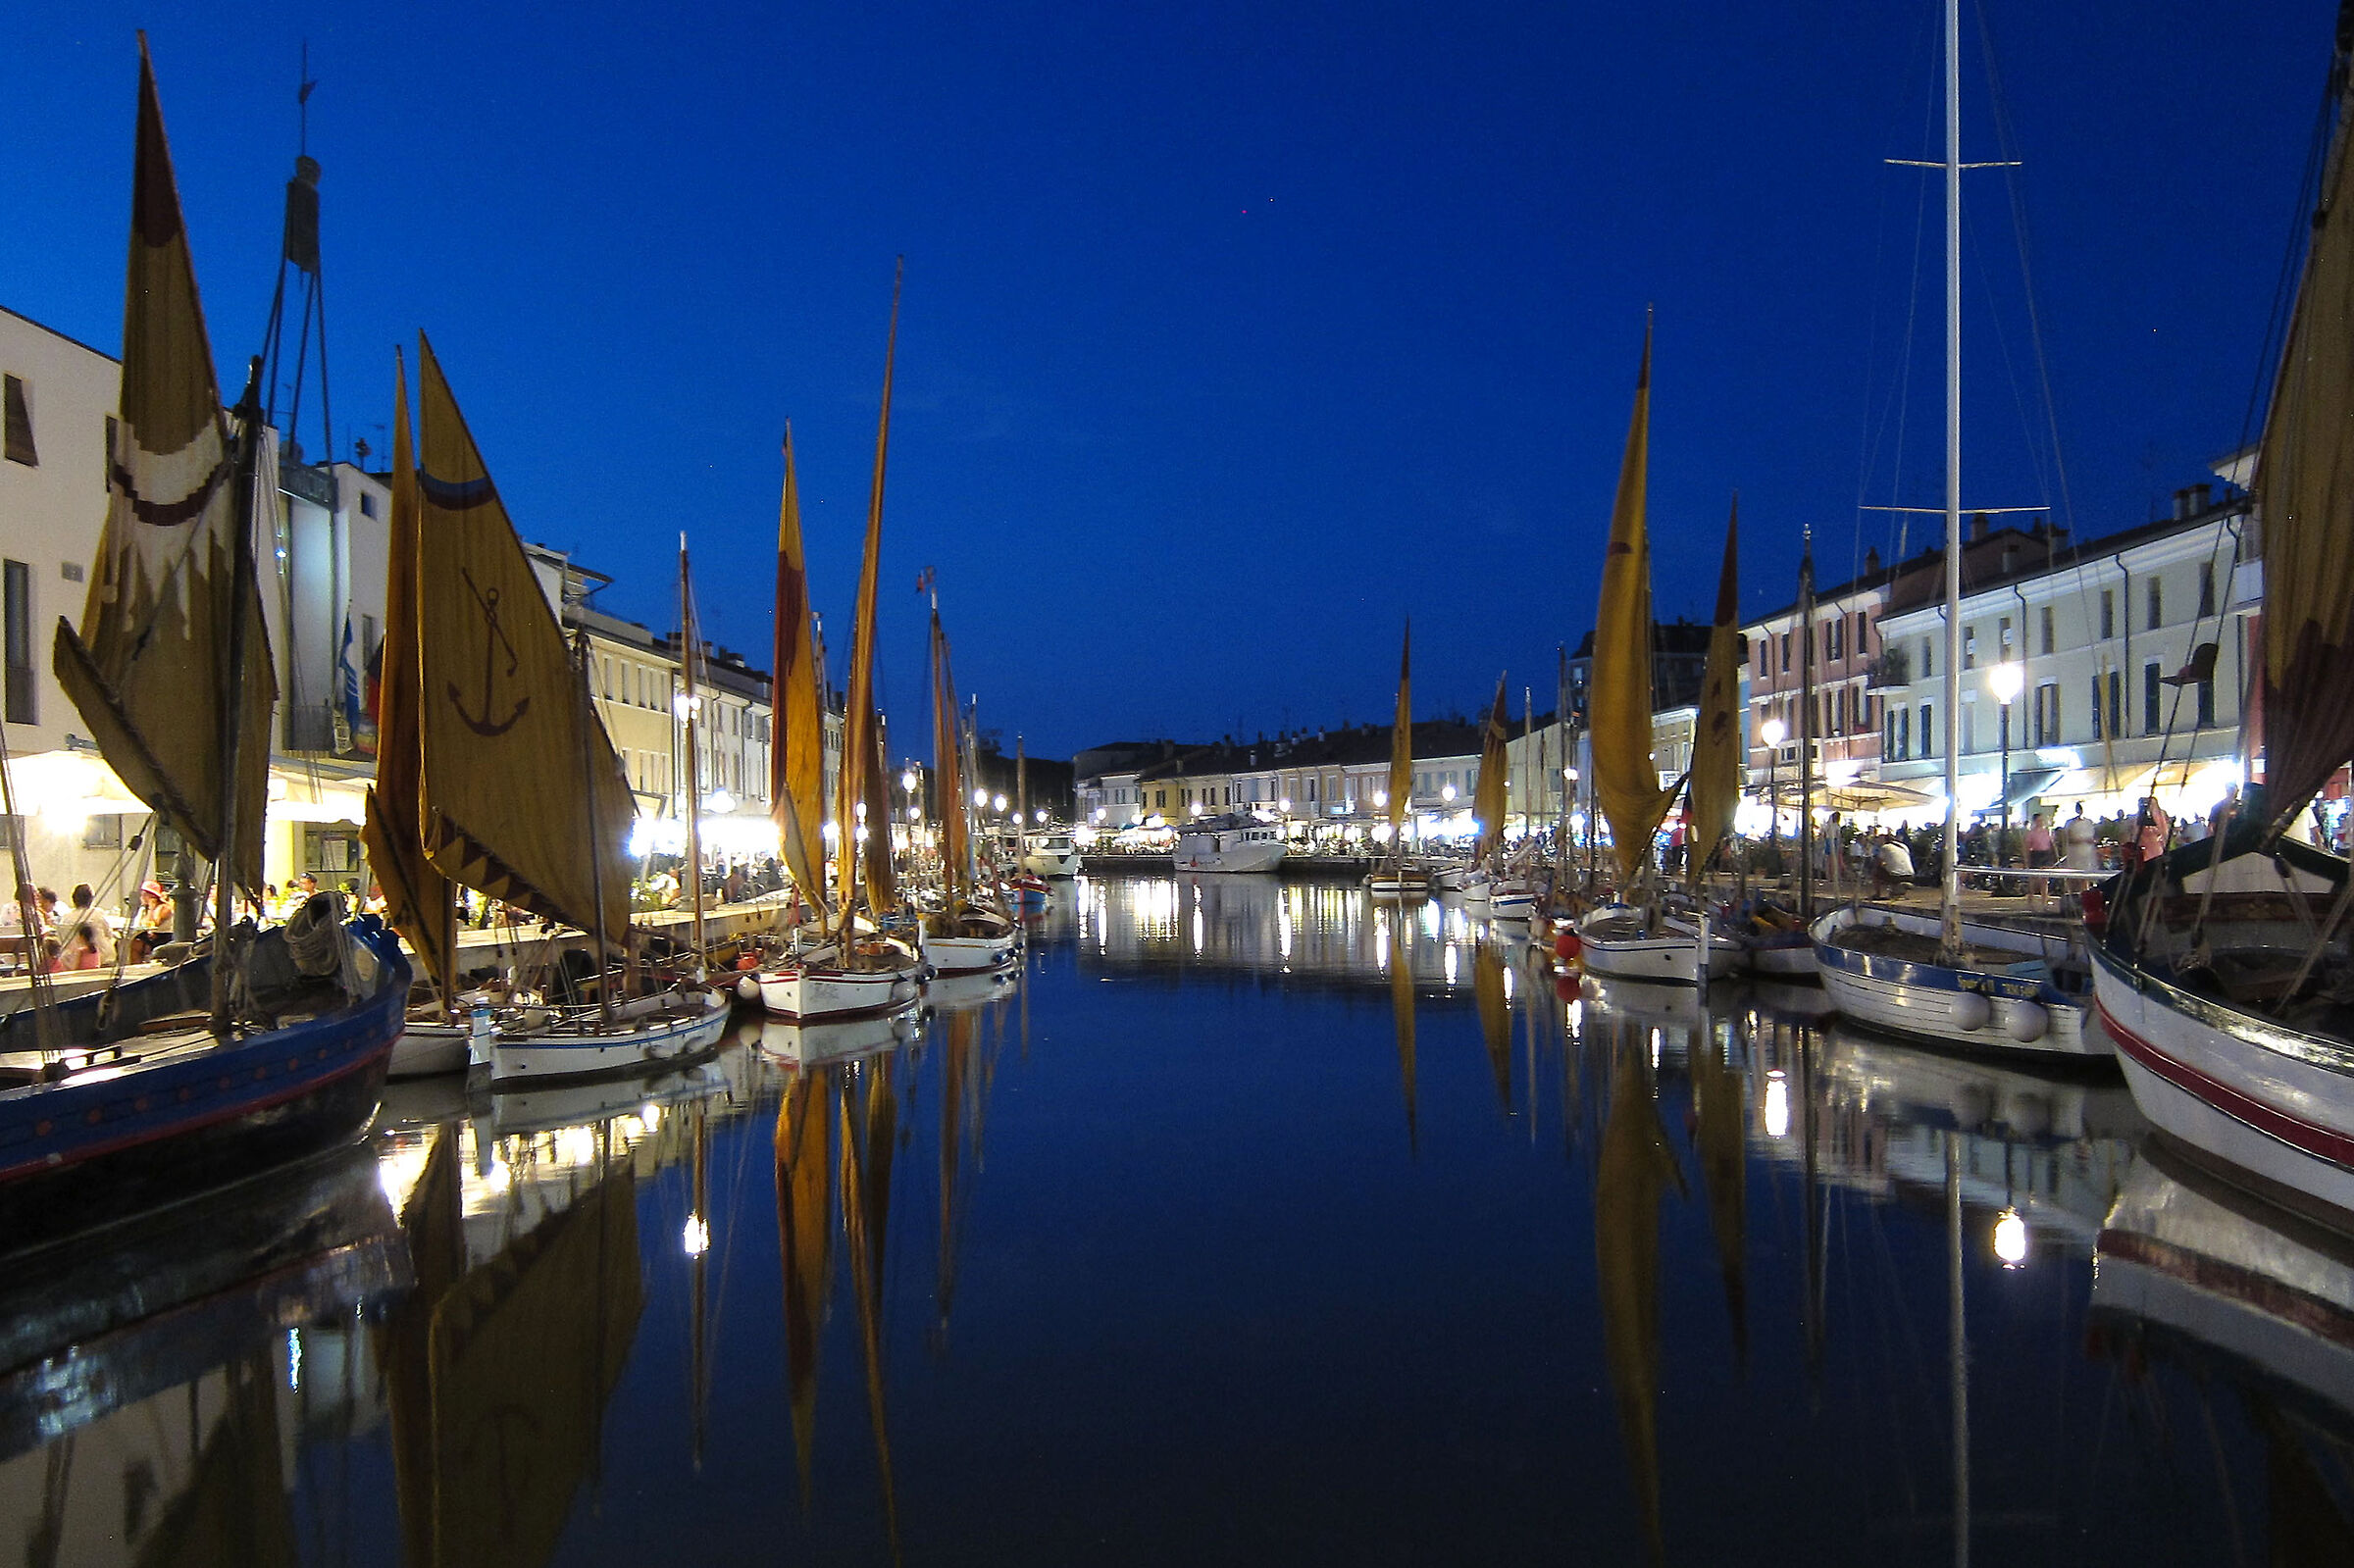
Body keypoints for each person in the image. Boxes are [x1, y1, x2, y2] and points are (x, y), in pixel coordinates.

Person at [1872, 831, 1916, 899]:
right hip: (1911, 875)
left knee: (1876, 871)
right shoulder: (1904, 846)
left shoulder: (1885, 847)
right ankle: (1899, 888)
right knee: (1892, 870)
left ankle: (1877, 894)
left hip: (1895, 876)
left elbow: (1878, 863)